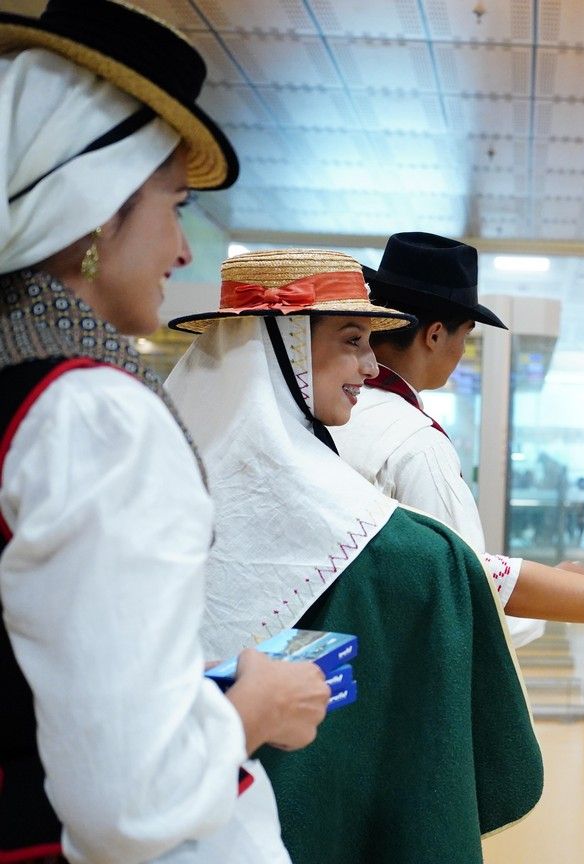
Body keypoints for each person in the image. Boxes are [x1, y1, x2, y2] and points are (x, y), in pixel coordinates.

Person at [165, 248, 584, 864]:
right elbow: (469, 578)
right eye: (352, 339)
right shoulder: (388, 498)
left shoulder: (176, 478)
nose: (368, 362)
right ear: (288, 346)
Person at [0, 3, 329, 862]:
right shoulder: (94, 415)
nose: (184, 250)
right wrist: (256, 708)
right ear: (94, 212)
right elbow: (130, 797)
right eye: (174, 206)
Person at [332, 231, 544, 646]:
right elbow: (464, 594)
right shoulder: (414, 442)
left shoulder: (332, 409)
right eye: (464, 336)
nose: (462, 350)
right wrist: (549, 600)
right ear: (434, 334)